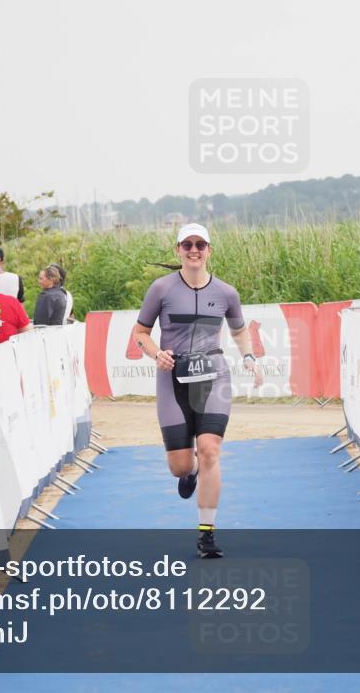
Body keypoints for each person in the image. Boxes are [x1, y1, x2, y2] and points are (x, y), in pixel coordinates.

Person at [132, 223, 264, 559]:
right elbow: (141, 333)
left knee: (209, 450)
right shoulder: (161, 289)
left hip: (213, 377)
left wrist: (248, 356)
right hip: (171, 380)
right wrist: (155, 352)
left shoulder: (226, 293)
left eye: (200, 245)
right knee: (180, 466)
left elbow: (238, 331)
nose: (194, 250)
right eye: (187, 244)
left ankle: (207, 533)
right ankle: (188, 472)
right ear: (177, 250)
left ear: (209, 250)